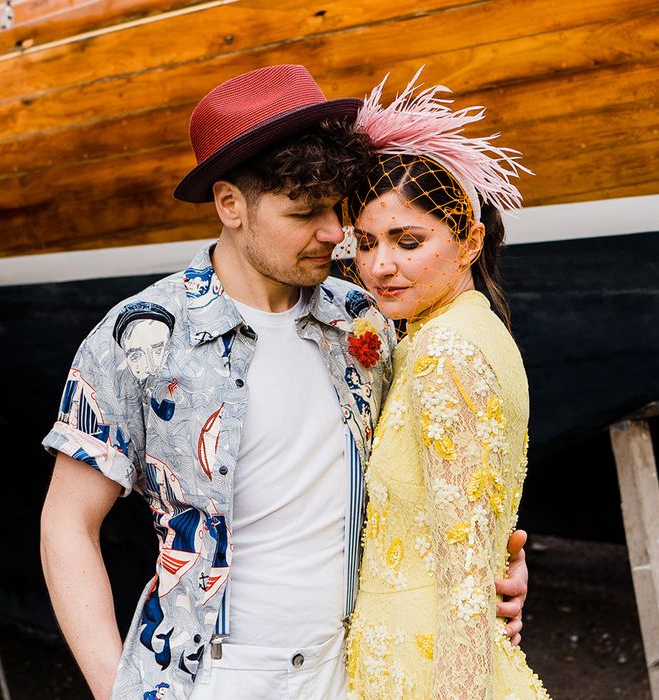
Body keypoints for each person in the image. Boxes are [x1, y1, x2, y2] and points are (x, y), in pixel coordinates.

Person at [39, 64, 529, 700]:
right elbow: (66, 523)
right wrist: (115, 688)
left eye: (337, 209)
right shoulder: (140, 338)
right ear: (230, 205)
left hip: (345, 668)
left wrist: (502, 561)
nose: (334, 234)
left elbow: (429, 467)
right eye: (304, 213)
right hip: (210, 676)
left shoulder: (366, 320)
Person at [343, 73, 549, 698]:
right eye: (366, 243)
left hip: (420, 665)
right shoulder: (458, 332)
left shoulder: (447, 351)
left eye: (409, 241)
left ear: (469, 242)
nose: (381, 266)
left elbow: (464, 572)